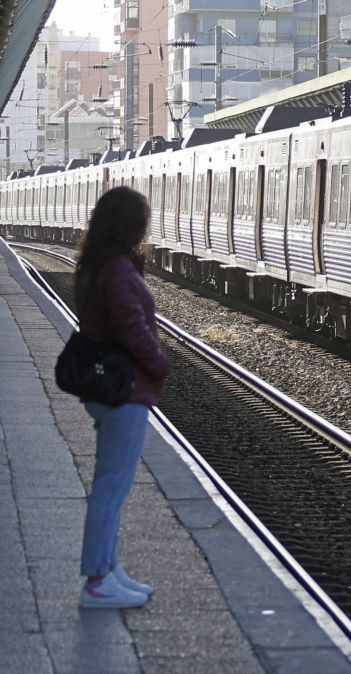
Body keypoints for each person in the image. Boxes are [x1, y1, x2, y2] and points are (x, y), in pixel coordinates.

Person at [74, 186, 170, 608]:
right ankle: (97, 581)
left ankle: (109, 569)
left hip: (114, 387)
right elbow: (132, 330)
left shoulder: (105, 265)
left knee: (111, 486)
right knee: (111, 489)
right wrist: (160, 365)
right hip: (124, 389)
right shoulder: (116, 271)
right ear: (129, 224)